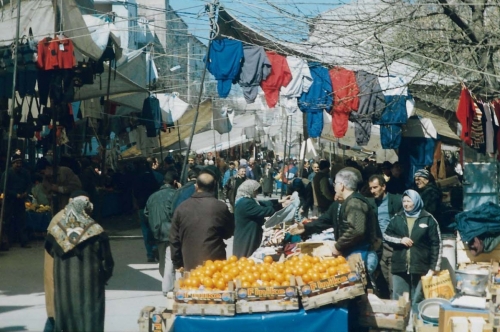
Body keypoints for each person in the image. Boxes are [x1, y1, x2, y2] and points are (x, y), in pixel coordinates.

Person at [44, 191, 114, 332]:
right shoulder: (96, 232)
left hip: (64, 293)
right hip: (91, 291)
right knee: (90, 324)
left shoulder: (56, 232)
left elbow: (50, 254)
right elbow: (108, 264)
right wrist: (101, 278)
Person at [384, 189, 442, 310]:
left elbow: (436, 244)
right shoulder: (397, 218)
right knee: (400, 300)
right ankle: (400, 326)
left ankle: (415, 325)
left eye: (409, 201)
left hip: (421, 266)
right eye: (404, 201)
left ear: (416, 201)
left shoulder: (428, 219)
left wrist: (434, 268)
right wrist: (400, 240)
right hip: (400, 266)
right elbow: (386, 235)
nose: (406, 204)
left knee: (418, 299)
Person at [170, 173, 234, 271]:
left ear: (196, 186)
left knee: (192, 285)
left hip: (190, 262)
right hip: (215, 262)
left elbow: (174, 239)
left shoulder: (181, 208)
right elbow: (229, 232)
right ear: (214, 187)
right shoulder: (220, 207)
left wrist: (177, 263)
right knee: (214, 285)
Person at [368, 174, 403, 298]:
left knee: (392, 278)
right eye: (371, 188)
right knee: (381, 278)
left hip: (392, 244)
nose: (372, 191)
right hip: (378, 246)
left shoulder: (397, 200)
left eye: (375, 187)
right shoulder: (370, 203)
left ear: (383, 187)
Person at [144, 171, 179, 292]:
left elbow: (146, 213)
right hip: (171, 231)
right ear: (175, 182)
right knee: (171, 259)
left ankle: (167, 283)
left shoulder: (152, 196)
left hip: (158, 232)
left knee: (163, 259)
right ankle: (168, 286)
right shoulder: (175, 195)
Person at [233, 180, 275, 258]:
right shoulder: (245, 203)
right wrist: (278, 207)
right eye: (255, 191)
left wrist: (279, 202)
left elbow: (262, 203)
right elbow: (262, 211)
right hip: (246, 236)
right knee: (245, 257)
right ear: (249, 189)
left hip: (248, 233)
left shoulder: (246, 199)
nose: (256, 193)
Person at [132, 159, 160, 262]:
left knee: (145, 230)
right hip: (154, 207)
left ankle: (150, 254)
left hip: (142, 207)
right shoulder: (154, 176)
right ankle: (155, 248)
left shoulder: (137, 178)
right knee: (155, 228)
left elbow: (134, 193)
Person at [0, 154, 31, 249]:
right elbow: (3, 188)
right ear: (12, 163)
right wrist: (14, 194)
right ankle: (6, 242)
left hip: (21, 200)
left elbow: (29, 184)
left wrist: (26, 192)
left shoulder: (25, 173)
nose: (19, 165)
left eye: (20, 163)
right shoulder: (7, 173)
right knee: (7, 221)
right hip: (10, 200)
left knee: (21, 220)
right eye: (16, 163)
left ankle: (24, 241)